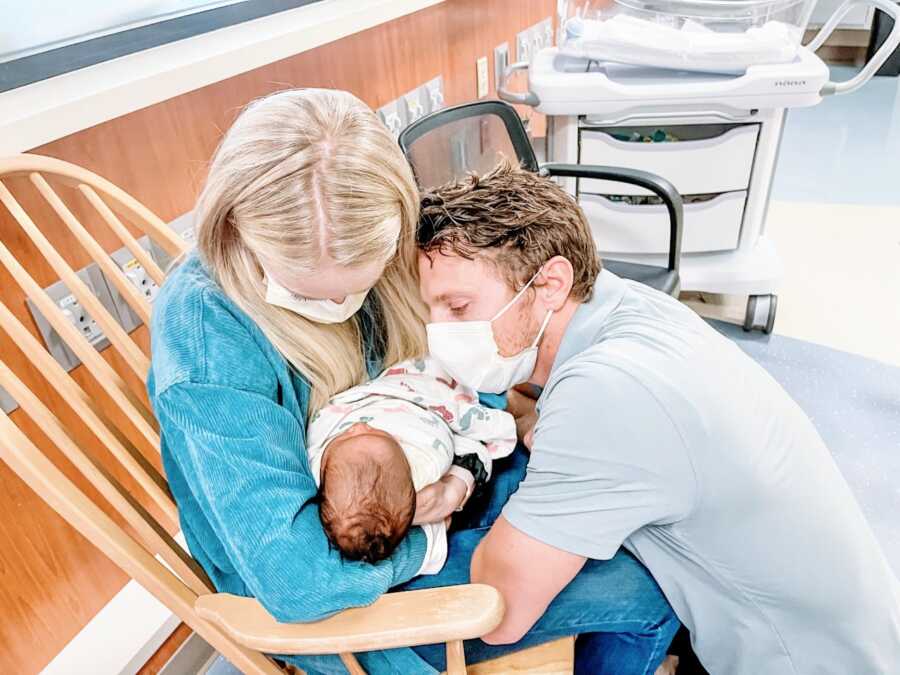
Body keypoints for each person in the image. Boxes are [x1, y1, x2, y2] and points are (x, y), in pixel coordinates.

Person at [148, 89, 678, 675]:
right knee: (658, 582)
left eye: (358, 284)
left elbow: (446, 380)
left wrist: (464, 473)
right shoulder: (207, 334)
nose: (337, 306)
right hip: (343, 586)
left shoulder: (395, 237)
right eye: (308, 292)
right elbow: (298, 581)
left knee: (642, 518)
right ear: (239, 235)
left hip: (445, 479)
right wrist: (426, 535)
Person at [415, 159, 900, 675]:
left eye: (459, 307)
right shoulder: (626, 305)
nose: (438, 332)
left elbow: (499, 610)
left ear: (551, 283)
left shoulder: (606, 394)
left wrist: (459, 486)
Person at [306, 355, 516, 565]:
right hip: (427, 394)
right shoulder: (426, 462)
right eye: (379, 434)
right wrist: (455, 487)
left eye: (348, 437)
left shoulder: (320, 470)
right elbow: (472, 451)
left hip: (383, 386)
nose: (359, 427)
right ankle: (514, 410)